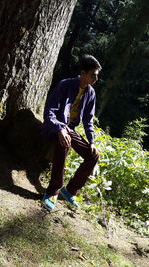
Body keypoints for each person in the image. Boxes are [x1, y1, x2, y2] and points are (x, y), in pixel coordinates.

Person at [42, 54, 102, 211]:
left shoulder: (91, 93)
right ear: (83, 73)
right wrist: (60, 128)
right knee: (64, 141)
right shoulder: (65, 85)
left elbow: (88, 121)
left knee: (93, 155)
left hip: (70, 130)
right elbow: (49, 111)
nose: (96, 79)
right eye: (93, 75)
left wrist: (92, 142)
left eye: (97, 75)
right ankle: (52, 191)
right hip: (55, 126)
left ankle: (69, 190)